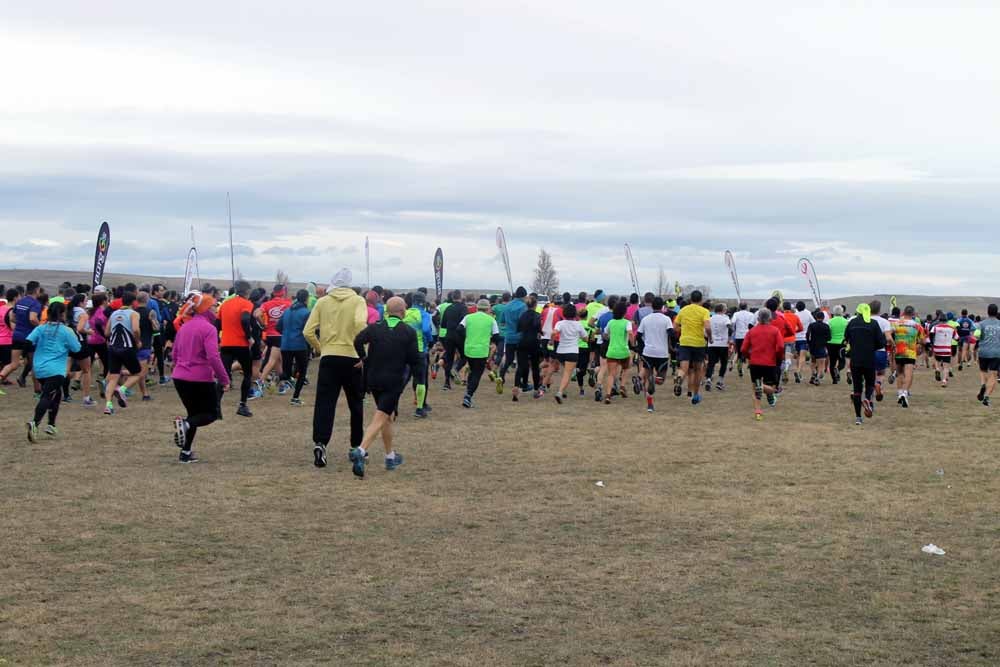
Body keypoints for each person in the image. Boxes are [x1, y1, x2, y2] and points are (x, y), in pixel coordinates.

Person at [348, 296, 420, 476]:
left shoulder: (374, 328)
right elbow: (414, 360)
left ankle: (390, 457)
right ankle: (361, 450)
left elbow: (357, 340)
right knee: (380, 417)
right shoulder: (408, 332)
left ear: (386, 310)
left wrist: (364, 358)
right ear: (403, 312)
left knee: (387, 416)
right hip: (393, 381)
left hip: (373, 379)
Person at [305, 269, 368, 468]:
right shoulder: (357, 300)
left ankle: (320, 443)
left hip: (329, 357)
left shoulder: (323, 301)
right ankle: (356, 446)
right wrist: (362, 350)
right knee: (356, 404)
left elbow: (308, 331)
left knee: (325, 403)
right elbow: (360, 323)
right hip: (351, 358)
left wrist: (321, 348)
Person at [171, 293, 230, 463]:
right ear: (204, 308)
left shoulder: (184, 327)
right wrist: (224, 379)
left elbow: (175, 354)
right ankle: (185, 426)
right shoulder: (209, 329)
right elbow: (213, 356)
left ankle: (186, 453)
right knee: (210, 414)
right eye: (213, 306)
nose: (216, 309)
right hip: (199, 378)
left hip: (180, 377)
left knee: (194, 414)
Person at [24, 302, 80, 441]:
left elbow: (28, 342)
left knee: (56, 394)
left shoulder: (41, 328)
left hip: (40, 368)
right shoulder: (67, 331)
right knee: (47, 396)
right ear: (62, 314)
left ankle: (51, 425)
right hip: (55, 370)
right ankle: (35, 423)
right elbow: (77, 349)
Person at [103, 292, 145, 415]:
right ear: (133, 302)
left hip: (113, 348)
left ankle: (108, 405)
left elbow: (106, 332)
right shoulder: (134, 314)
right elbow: (136, 329)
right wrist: (137, 341)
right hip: (127, 348)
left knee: (113, 377)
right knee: (138, 373)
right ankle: (122, 389)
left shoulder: (114, 313)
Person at [844, 304, 887, 425]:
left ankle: (858, 417)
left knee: (857, 389)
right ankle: (868, 399)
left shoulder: (851, 323)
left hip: (855, 359)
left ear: (857, 312)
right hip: (869, 359)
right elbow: (880, 343)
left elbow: (846, 339)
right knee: (869, 384)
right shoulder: (873, 323)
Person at [740, 309, 783, 421]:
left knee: (755, 389)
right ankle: (763, 387)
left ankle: (758, 412)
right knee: (773, 388)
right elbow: (781, 347)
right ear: (770, 318)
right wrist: (778, 357)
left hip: (755, 363)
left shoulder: (751, 331)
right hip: (770, 362)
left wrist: (749, 356)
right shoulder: (775, 331)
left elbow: (743, 348)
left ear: (758, 318)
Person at [456, 299, 500, 408]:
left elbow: (459, 329)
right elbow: (496, 336)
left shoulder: (468, 317)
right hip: (482, 350)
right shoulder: (491, 320)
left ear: (477, 307)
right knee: (477, 373)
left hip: (469, 349)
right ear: (488, 308)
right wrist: (491, 340)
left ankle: (468, 392)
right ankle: (468, 396)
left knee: (472, 370)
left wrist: (467, 337)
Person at [2, 280, 42, 389]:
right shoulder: (35, 304)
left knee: (14, 364)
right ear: (37, 290)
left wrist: (20, 323)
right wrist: (41, 327)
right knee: (34, 365)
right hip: (30, 337)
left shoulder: (20, 302)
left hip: (17, 336)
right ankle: (37, 391)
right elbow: (33, 318)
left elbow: (12, 317)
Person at [673, 289, 711, 404]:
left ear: (690, 299)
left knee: (684, 368)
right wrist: (710, 337)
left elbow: (674, 326)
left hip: (685, 342)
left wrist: (682, 330)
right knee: (697, 369)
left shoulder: (683, 310)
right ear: (701, 300)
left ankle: (679, 378)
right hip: (698, 343)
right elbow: (708, 327)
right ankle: (695, 395)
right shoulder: (704, 311)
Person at [636, 296, 673, 413]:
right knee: (661, 379)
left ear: (652, 306)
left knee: (647, 377)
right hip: (662, 353)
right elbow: (671, 333)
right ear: (663, 306)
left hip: (648, 352)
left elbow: (638, 335)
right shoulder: (666, 319)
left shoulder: (645, 319)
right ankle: (655, 379)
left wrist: (643, 343)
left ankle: (650, 405)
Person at [277, 289, 312, 406]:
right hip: (299, 345)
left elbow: (278, 327)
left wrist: (287, 332)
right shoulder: (306, 312)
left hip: (285, 344)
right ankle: (295, 397)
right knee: (302, 372)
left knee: (287, 373)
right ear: (306, 299)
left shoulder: (287, 311)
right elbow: (308, 330)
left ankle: (272, 380)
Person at [404, 291, 434, 417]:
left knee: (403, 378)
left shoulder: (405, 313)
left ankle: (392, 405)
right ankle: (420, 408)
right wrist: (430, 339)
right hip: (420, 350)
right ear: (423, 301)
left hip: (405, 350)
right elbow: (427, 329)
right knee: (421, 379)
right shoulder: (424, 314)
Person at [551, 303, 588, 403]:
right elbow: (585, 338)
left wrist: (551, 340)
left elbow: (554, 333)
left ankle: (564, 391)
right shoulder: (578, 324)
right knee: (568, 373)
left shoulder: (560, 323)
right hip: (572, 352)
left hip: (561, 352)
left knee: (566, 372)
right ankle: (560, 392)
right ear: (575, 314)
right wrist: (584, 338)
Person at [258, 284, 292, 389]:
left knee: (278, 360)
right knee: (273, 360)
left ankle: (283, 382)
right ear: (283, 292)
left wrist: (263, 324)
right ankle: (261, 381)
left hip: (269, 335)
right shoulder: (288, 304)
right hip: (280, 335)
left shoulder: (266, 304)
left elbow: (257, 314)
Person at [601, 300, 634, 405]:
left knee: (611, 374)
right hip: (623, 351)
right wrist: (633, 343)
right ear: (624, 312)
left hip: (611, 351)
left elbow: (605, 334)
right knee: (627, 368)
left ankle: (608, 395)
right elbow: (630, 333)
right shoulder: (627, 322)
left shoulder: (611, 322)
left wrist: (608, 337)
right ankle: (622, 386)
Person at [891, 305, 925, 408]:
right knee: (908, 373)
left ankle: (900, 393)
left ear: (903, 313)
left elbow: (889, 334)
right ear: (913, 314)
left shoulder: (896, 324)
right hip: (910, 352)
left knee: (900, 373)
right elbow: (923, 340)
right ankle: (905, 393)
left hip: (898, 351)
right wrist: (920, 345)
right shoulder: (917, 325)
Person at [512, 295, 542, 401]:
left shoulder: (522, 316)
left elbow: (518, 329)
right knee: (535, 367)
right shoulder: (537, 316)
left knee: (520, 367)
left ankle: (516, 388)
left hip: (522, 342)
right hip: (534, 342)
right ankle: (536, 390)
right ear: (535, 305)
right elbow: (539, 328)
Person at [498, 287, 528, 389]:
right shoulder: (523, 306)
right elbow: (523, 322)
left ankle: (501, 375)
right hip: (520, 337)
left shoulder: (507, 306)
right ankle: (519, 383)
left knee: (509, 359)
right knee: (521, 361)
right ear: (524, 296)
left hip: (509, 336)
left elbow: (502, 321)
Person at [974, 304, 1000, 407]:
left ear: (987, 311)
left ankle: (983, 384)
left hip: (983, 351)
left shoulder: (981, 324)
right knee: (993, 375)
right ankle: (987, 397)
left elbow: (976, 335)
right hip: (996, 352)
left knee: (983, 371)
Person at [704, 303, 731, 391]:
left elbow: (705, 332)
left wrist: (709, 338)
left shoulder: (710, 318)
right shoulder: (725, 318)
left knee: (711, 363)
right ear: (723, 310)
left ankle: (708, 379)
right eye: (725, 308)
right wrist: (730, 336)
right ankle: (720, 381)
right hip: (723, 344)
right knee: (724, 363)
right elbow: (729, 327)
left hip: (712, 344)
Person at [929, 313, 958, 387]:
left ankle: (937, 369)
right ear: (947, 320)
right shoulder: (951, 328)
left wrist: (932, 343)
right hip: (947, 349)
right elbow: (957, 338)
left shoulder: (935, 327)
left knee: (937, 360)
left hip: (937, 348)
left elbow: (931, 335)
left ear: (939, 320)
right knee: (946, 366)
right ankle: (944, 381)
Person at [806, 310, 831, 384]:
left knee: (813, 361)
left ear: (816, 317)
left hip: (813, 346)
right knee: (821, 363)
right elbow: (829, 337)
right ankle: (818, 377)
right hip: (822, 346)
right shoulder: (826, 326)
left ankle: (813, 373)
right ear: (823, 318)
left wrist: (809, 342)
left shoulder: (812, 325)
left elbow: (808, 334)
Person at [793, 301, 815, 383]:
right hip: (804, 338)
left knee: (798, 357)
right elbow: (813, 323)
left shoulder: (795, 314)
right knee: (803, 356)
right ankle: (798, 372)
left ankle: (799, 373)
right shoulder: (808, 314)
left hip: (795, 338)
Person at [730, 303, 755, 378]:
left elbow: (732, 322)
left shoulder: (736, 314)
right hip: (748, 335)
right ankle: (750, 364)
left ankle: (740, 365)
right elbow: (753, 324)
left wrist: (733, 328)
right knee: (750, 351)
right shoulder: (751, 314)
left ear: (739, 307)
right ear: (746, 307)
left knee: (739, 352)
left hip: (739, 335)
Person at [825, 305, 849, 384]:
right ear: (842, 312)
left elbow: (827, 332)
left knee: (832, 361)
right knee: (842, 360)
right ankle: (838, 369)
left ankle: (834, 380)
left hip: (831, 343)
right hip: (841, 343)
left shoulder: (829, 321)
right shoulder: (846, 321)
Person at [0, 288, 15, 395]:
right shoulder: (13, 311)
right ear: (15, 297)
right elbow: (14, 327)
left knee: (4, 363)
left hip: (1, 338)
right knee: (10, 364)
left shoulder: (0, 308)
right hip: (7, 339)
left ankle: (4, 379)